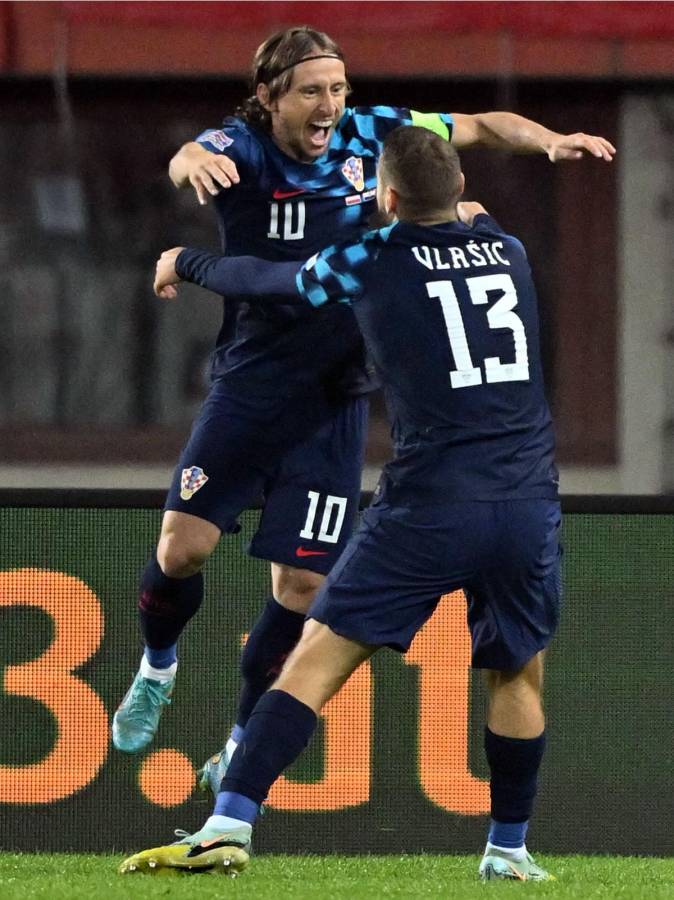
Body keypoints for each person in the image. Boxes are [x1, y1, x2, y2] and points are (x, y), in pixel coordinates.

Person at [111, 26, 614, 785]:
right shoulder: (240, 146)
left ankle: (243, 741)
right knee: (182, 549)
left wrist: (548, 141)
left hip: (338, 394)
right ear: (270, 96)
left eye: (338, 89)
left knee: (303, 587)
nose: (330, 106)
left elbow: (477, 127)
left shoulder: (371, 130)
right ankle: (157, 666)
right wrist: (192, 163)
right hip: (253, 382)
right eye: (312, 91)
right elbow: (189, 156)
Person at [121, 126, 562, 882]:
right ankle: (509, 850)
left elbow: (272, 280)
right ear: (458, 192)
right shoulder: (510, 249)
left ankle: (227, 824)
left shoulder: (372, 258)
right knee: (517, 672)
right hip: (526, 501)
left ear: (385, 200)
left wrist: (186, 262)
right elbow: (474, 218)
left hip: (430, 504)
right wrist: (462, 212)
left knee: (312, 667)